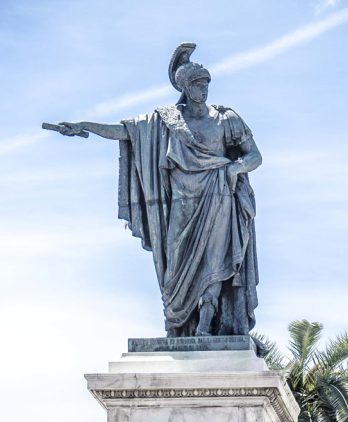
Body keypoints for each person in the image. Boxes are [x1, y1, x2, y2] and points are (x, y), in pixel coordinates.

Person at [50, 43, 262, 337]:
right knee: (175, 266)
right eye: (198, 85)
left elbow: (254, 156)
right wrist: (83, 125)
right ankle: (177, 324)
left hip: (218, 197)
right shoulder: (166, 121)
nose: (204, 90)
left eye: (206, 84)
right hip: (182, 201)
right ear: (186, 88)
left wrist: (234, 168)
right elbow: (124, 131)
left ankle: (205, 323)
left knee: (215, 260)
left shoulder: (227, 119)